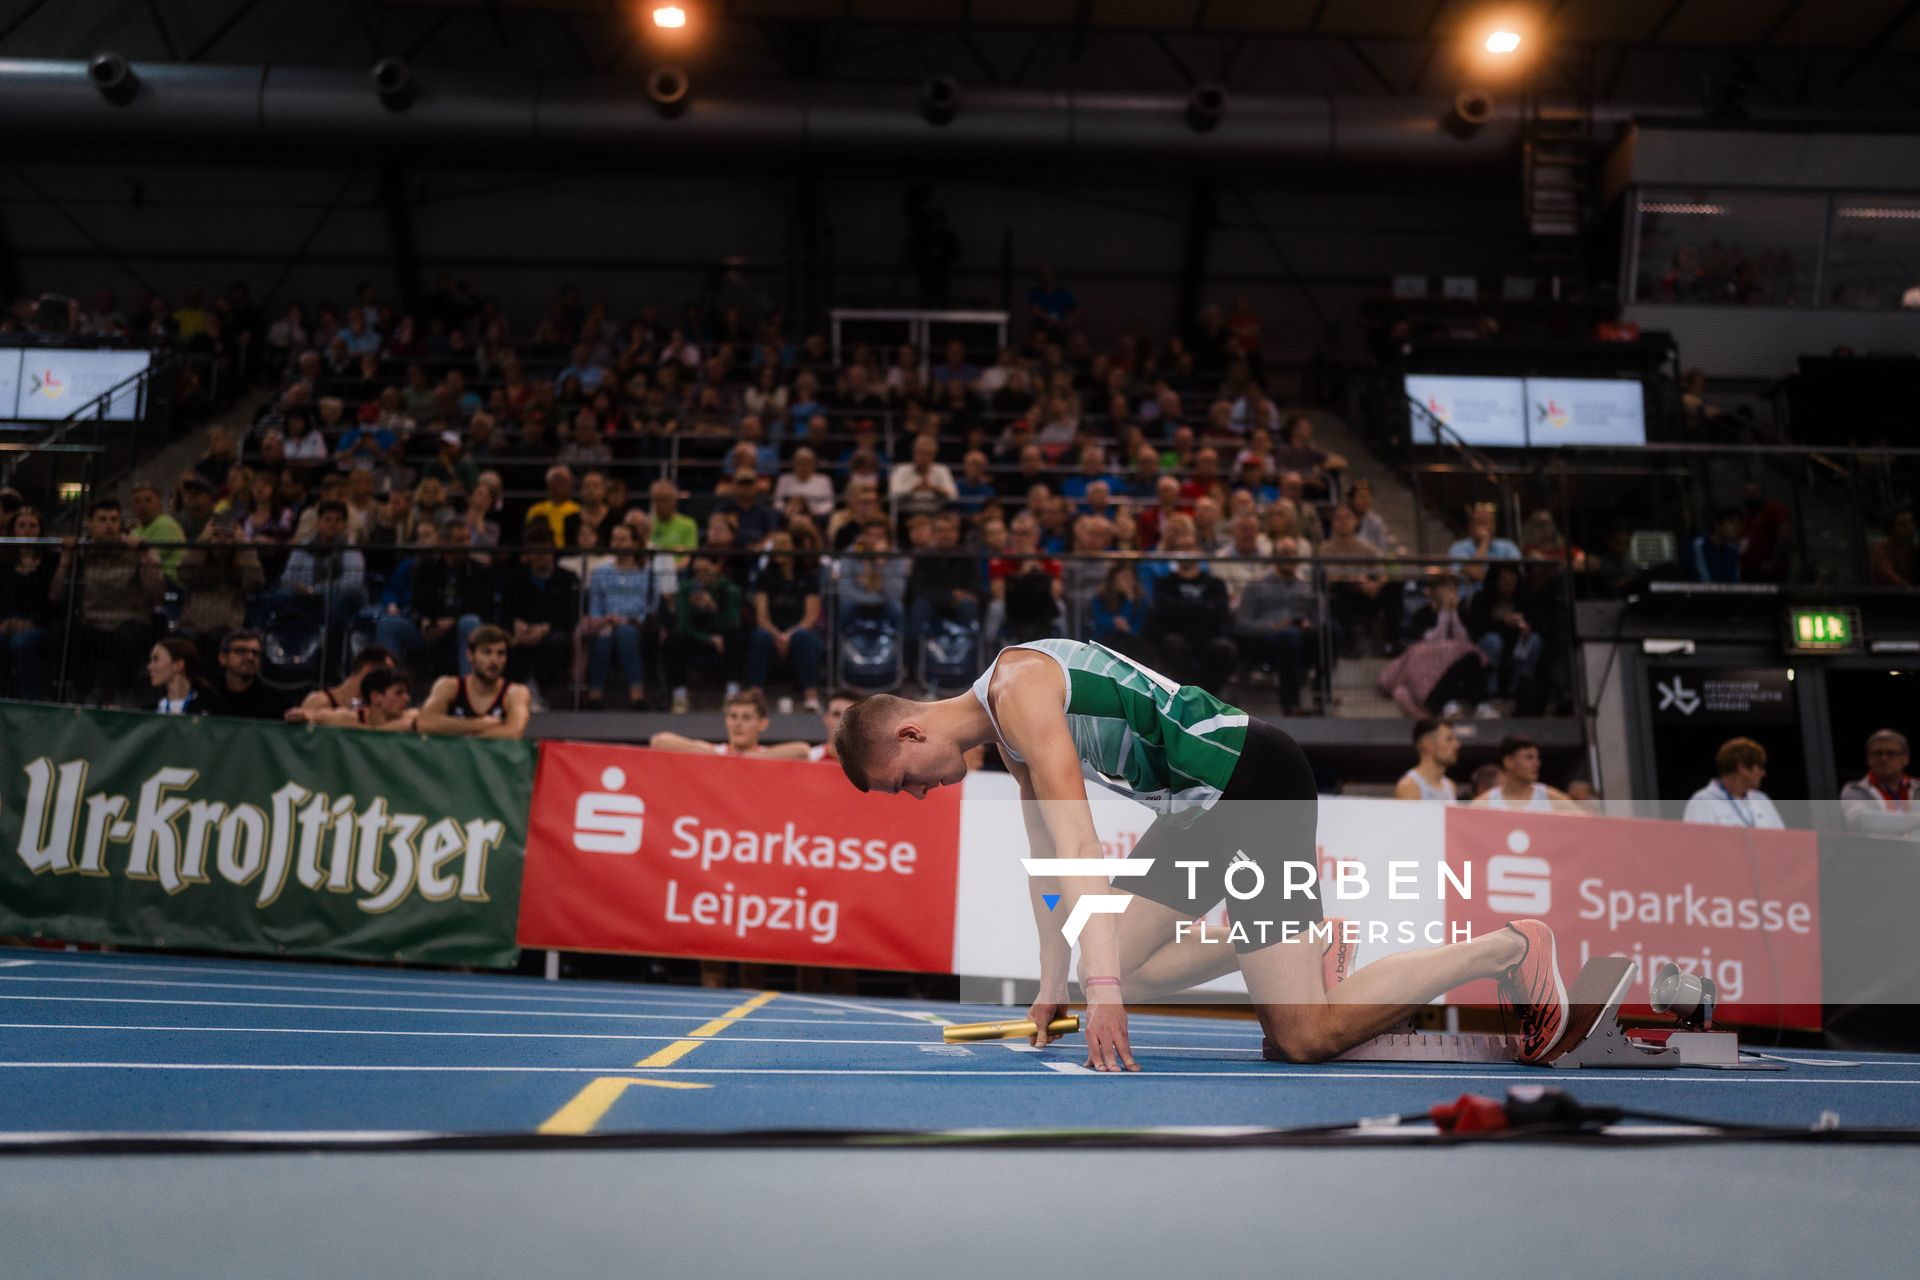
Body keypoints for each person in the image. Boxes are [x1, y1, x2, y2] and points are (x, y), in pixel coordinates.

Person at [830, 637, 1573, 1070]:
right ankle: (1315, 949)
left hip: (1252, 782)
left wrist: (1106, 990)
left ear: (909, 736)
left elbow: (1082, 842)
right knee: (1117, 955)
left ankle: (1510, 948)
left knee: (1301, 1038)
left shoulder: (1020, 688)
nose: (918, 796)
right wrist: (1056, 980)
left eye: (903, 786)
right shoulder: (1004, 726)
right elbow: (1047, 860)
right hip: (1197, 809)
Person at [52, 499, 165, 705]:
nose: (109, 525)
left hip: (130, 622)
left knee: (129, 639)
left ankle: (124, 695)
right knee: (68, 634)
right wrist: (65, 561)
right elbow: (55, 596)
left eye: (114, 519)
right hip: (92, 622)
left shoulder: (137, 550)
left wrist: (145, 558)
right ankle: (78, 695)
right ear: (90, 524)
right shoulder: (81, 551)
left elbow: (157, 594)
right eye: (102, 520)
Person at [581, 522, 676, 709]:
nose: (617, 544)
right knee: (604, 637)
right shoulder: (600, 573)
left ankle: (637, 696)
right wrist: (605, 620)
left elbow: (652, 606)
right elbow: (594, 607)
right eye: (614, 539)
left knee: (625, 633)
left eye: (623, 539)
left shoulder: (647, 573)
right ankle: (595, 697)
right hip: (605, 623)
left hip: (637, 627)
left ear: (634, 543)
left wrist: (632, 620)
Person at [1232, 540, 1318, 713]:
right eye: (1285, 553)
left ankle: (1322, 693)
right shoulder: (1256, 585)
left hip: (1302, 638)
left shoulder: (1307, 587)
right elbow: (1242, 624)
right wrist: (1272, 626)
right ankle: (1291, 704)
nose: (1291, 558)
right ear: (1274, 558)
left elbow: (1319, 617)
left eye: (1294, 553)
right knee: (1289, 637)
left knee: (1330, 631)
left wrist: (1310, 624)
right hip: (1265, 640)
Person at [500, 525, 580, 704]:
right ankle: (514, 695)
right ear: (528, 554)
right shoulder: (515, 578)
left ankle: (542, 691)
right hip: (523, 633)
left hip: (552, 633)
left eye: (545, 550)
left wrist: (545, 628)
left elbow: (572, 615)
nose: (541, 556)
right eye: (536, 551)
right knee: (507, 643)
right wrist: (516, 624)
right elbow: (506, 610)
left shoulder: (568, 578)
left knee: (558, 643)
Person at [747, 529, 823, 711]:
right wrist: (777, 635)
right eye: (776, 545)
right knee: (760, 636)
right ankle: (755, 696)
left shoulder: (808, 578)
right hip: (772, 631)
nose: (779, 549)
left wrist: (789, 635)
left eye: (784, 544)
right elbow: (762, 617)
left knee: (803, 637)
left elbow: (811, 617)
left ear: (794, 548)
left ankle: (811, 697)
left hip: (800, 631)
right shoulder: (765, 577)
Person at [662, 552, 744, 714]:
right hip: (696, 638)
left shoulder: (730, 590)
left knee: (735, 634)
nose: (701, 575)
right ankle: (680, 696)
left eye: (705, 570)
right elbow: (683, 624)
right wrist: (708, 638)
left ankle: (732, 694)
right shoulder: (686, 589)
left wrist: (712, 609)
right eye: (697, 571)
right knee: (675, 638)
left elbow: (733, 621)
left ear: (717, 567)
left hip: (723, 639)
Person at [416, 625, 531, 739]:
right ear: (470, 655)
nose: (494, 660)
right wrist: (478, 724)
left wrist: (466, 738)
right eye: (487, 652)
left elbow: (514, 732)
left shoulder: (516, 692)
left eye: (500, 653)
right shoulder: (449, 685)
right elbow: (424, 723)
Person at [1147, 550, 1236, 696]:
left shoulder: (1215, 583)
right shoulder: (1165, 583)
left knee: (1225, 649)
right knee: (1172, 645)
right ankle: (1185, 694)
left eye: (1190, 548)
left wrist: (1182, 606)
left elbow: (1220, 612)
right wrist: (1204, 606)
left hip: (1209, 634)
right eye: (1182, 549)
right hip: (1176, 633)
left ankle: (1209, 695)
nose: (1186, 553)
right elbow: (1164, 612)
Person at [649, 688, 810, 759]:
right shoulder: (715, 751)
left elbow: (802, 751)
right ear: (726, 720)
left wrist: (744, 758)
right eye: (733, 716)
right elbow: (659, 741)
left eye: (746, 718)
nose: (738, 723)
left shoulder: (769, 756)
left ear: (763, 724)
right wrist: (723, 758)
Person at [0, 506, 56, 700]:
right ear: (13, 530)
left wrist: (31, 623)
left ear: (41, 530)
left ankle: (30, 700)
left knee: (21, 644)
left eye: (33, 526)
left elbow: (53, 602)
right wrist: (4, 622)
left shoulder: (51, 562)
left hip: (40, 624)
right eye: (22, 525)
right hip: (6, 621)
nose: (27, 530)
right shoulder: (3, 563)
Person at [1682, 737, 1784, 829]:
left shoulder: (1762, 800)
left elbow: (1782, 840)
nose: (1763, 773)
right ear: (1742, 768)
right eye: (1759, 767)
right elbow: (1695, 845)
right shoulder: (1702, 802)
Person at [1839, 729, 1920, 840]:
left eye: (1891, 753)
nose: (1883, 759)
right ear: (1868, 759)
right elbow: (1863, 821)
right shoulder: (1855, 791)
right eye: (1877, 753)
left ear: (1905, 758)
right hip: (1877, 855)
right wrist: (1916, 819)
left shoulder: (1917, 788)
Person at [1472, 735, 1584, 814]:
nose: (1537, 763)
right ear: (1508, 761)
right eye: (1529, 757)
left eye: (1537, 758)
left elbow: (1588, 823)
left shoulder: (1551, 798)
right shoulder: (1485, 803)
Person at [287, 645, 398, 721]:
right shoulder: (318, 702)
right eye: (385, 675)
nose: (388, 683)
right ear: (368, 670)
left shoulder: (373, 711)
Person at [307, 666, 418, 733]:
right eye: (399, 693)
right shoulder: (349, 718)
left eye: (407, 693)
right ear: (376, 697)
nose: (407, 699)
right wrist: (305, 715)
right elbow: (319, 716)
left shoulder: (411, 718)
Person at [212, 629, 290, 720]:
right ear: (223, 658)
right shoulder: (208, 696)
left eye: (255, 653)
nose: (250, 657)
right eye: (241, 651)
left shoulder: (275, 700)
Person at [1446, 503, 1520, 590]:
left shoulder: (1508, 546)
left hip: (1499, 598)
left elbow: (1515, 575)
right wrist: (1484, 542)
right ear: (1470, 527)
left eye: (1490, 522)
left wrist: (1486, 575)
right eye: (1481, 522)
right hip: (1469, 600)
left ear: (1495, 526)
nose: (1486, 527)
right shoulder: (1458, 548)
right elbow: (1475, 575)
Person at [146, 636, 225, 716]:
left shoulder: (212, 705)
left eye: (156, 659)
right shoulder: (148, 709)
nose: (149, 667)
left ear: (178, 665)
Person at [1394, 719, 1461, 804]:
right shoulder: (1409, 786)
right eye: (1449, 739)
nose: (1457, 745)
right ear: (1428, 745)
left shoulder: (1451, 786)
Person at [1687, 506, 1745, 584]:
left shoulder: (1732, 550)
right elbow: (1704, 580)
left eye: (1738, 524)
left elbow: (1735, 582)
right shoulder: (1699, 546)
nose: (1736, 528)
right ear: (1717, 525)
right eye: (1732, 522)